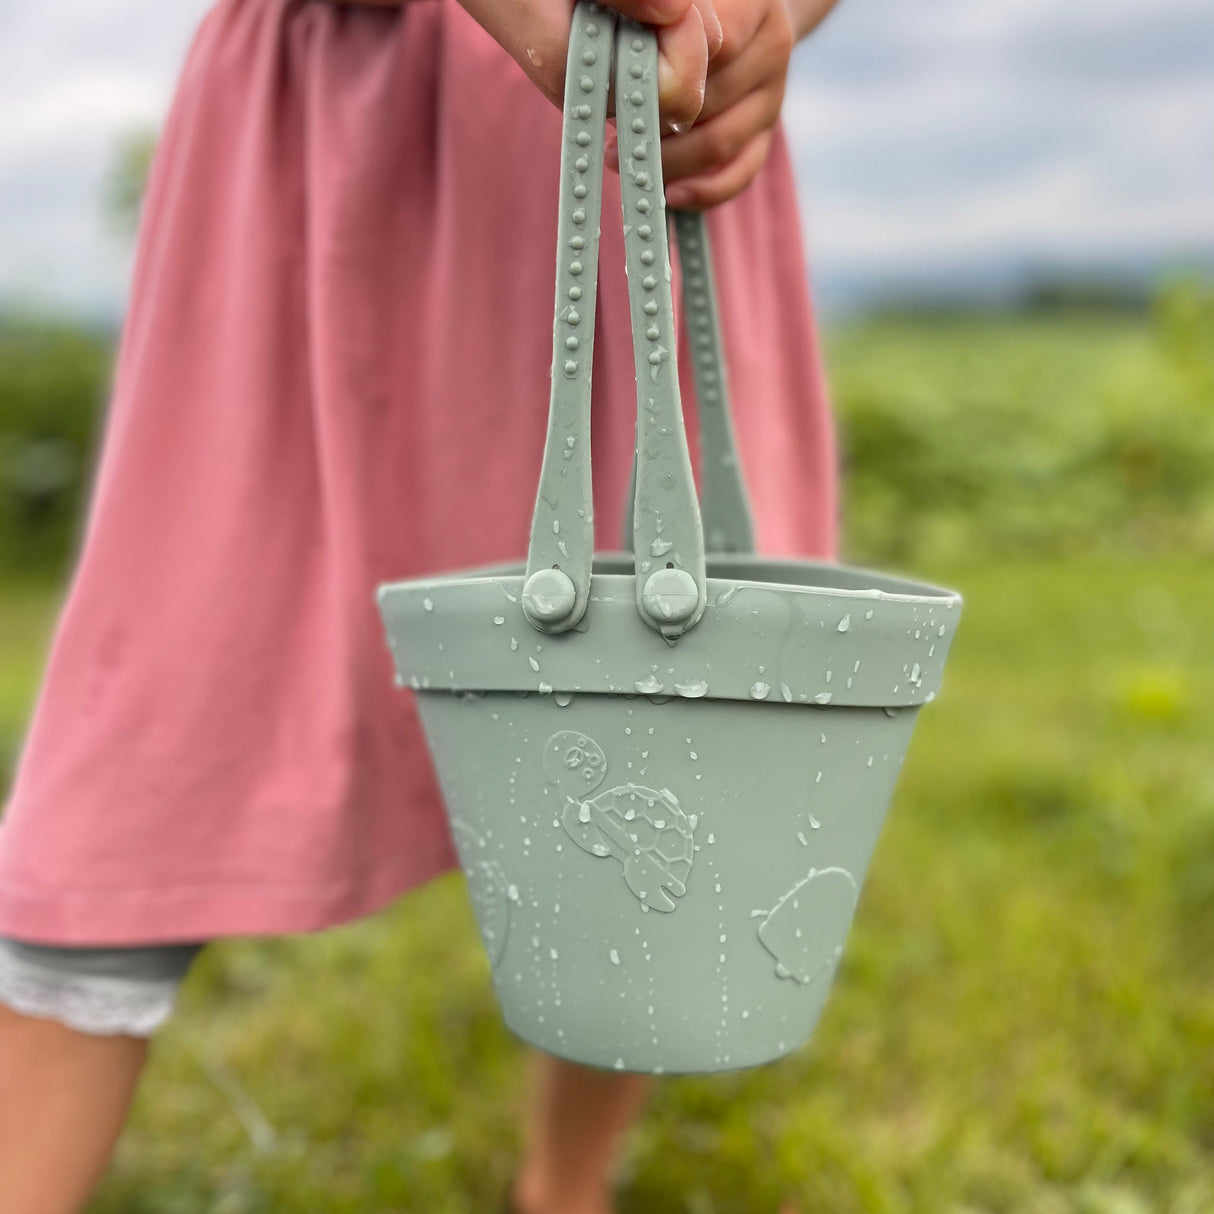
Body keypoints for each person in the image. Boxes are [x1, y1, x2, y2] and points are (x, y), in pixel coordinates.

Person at [0, 0, 842, 1210]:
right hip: (342, 143)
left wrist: (757, 21)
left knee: (665, 720)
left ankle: (563, 1185)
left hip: (653, 171)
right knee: (161, 706)